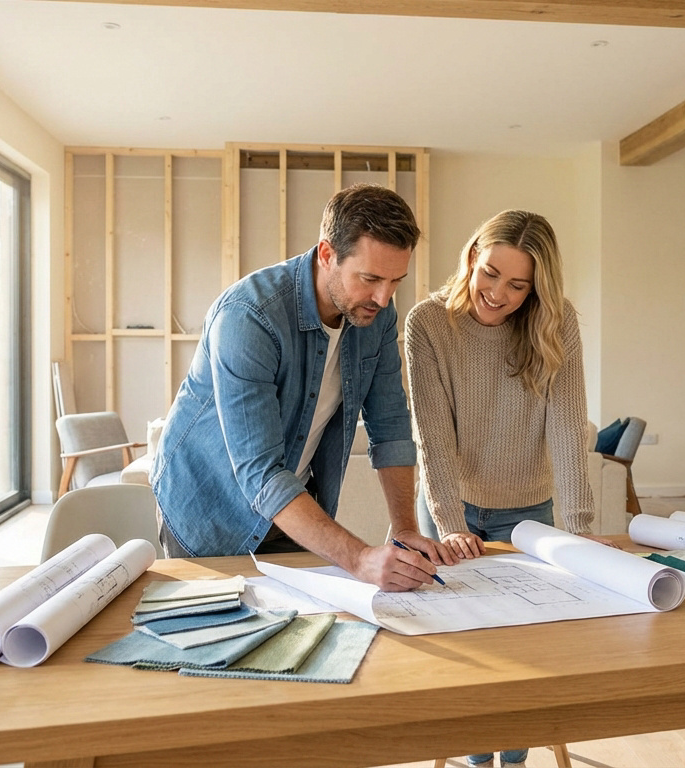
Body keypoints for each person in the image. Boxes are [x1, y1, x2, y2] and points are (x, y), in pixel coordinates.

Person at [151, 184, 454, 591]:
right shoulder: (248, 317)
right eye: (370, 279)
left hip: (293, 507)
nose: (383, 298)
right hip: (208, 511)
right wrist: (360, 558)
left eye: (396, 281)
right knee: (221, 635)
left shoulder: (376, 314)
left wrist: (405, 527)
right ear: (327, 254)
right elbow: (260, 473)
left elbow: (391, 424)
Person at [406, 210, 607, 766]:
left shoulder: (556, 320)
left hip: (529, 511)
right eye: (490, 273)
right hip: (451, 505)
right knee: (466, 642)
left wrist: (581, 528)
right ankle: (475, 754)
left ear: (537, 288)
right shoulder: (426, 323)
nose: (497, 293)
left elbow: (568, 425)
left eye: (518, 285)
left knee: (526, 644)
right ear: (473, 256)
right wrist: (450, 523)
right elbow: (431, 434)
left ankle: (514, 758)